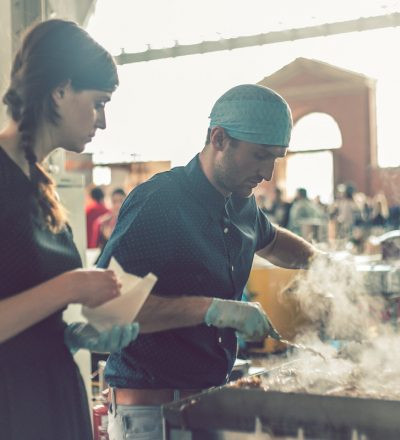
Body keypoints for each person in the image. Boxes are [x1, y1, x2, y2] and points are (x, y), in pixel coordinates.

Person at [97, 84, 322, 440]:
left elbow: (273, 240)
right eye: (259, 156)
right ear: (218, 138)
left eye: (275, 158)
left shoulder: (240, 202)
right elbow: (111, 307)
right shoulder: (159, 201)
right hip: (151, 411)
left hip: (208, 399)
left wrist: (325, 264)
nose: (267, 173)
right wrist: (214, 310)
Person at [0, 19, 139, 440]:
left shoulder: (39, 182)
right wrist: (71, 286)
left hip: (53, 396)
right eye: (98, 102)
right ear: (60, 91)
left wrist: (74, 335)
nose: (102, 121)